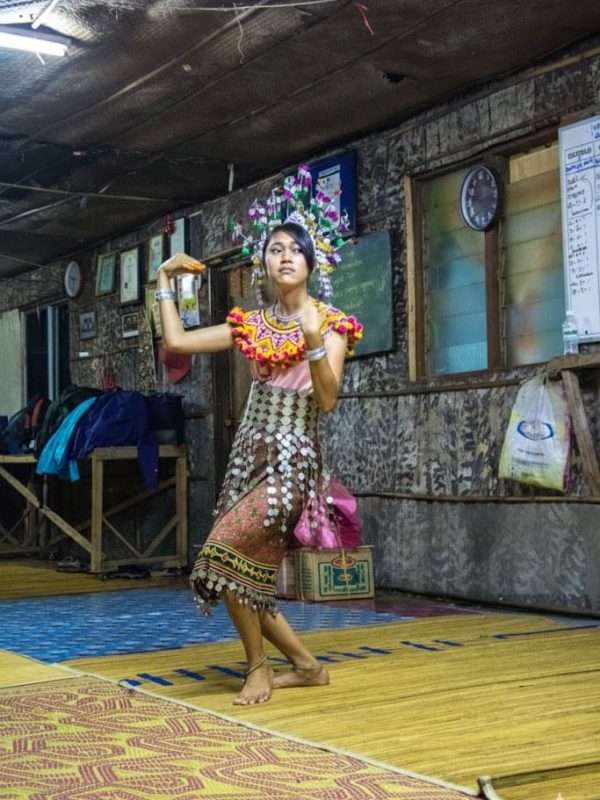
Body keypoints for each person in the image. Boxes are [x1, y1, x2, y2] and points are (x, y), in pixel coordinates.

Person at [156, 220, 362, 706]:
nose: (285, 256)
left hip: (292, 463)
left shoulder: (331, 324)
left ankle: (258, 668)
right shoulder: (252, 324)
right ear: (263, 263)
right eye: (275, 249)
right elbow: (178, 344)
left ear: (312, 261)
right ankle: (308, 667)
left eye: (296, 249)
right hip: (247, 458)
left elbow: (328, 399)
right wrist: (163, 282)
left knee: (220, 554)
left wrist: (313, 342)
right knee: (238, 568)